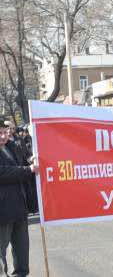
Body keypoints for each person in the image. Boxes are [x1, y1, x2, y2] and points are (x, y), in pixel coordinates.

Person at [0, 117, 39, 277]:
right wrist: (27, 169)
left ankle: (21, 274)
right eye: (0, 133)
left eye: (4, 132)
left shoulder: (12, 147)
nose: (3, 136)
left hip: (20, 208)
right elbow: (4, 172)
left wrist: (31, 160)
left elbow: (23, 163)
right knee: (1, 250)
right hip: (3, 210)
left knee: (22, 249)